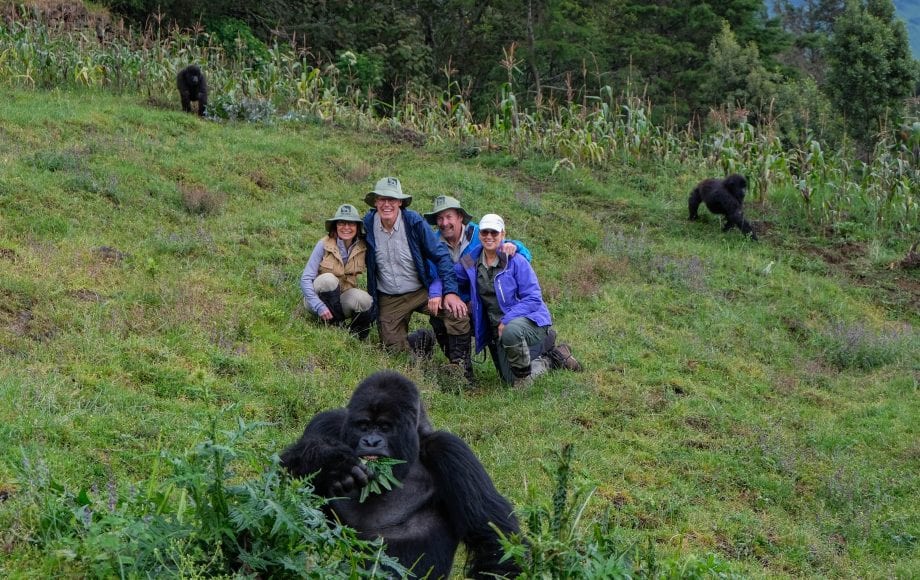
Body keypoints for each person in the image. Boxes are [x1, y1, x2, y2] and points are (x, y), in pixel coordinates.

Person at [454, 213, 581, 388]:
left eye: (494, 232)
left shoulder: (516, 260)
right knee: (507, 378)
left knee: (512, 334)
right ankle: (550, 359)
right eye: (484, 232)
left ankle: (525, 377)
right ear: (480, 234)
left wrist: (507, 320)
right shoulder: (471, 259)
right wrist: (439, 293)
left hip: (529, 319)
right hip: (496, 327)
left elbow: (533, 298)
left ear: (503, 234)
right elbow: (449, 275)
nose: (489, 236)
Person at [417, 195, 532, 380]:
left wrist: (515, 246)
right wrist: (442, 293)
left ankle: (547, 346)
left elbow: (518, 252)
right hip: (456, 300)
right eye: (439, 218)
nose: (444, 223)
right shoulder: (432, 243)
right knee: (442, 315)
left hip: (490, 305)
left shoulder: (482, 235)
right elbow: (438, 276)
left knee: (509, 375)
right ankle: (461, 372)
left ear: (460, 217)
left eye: (449, 217)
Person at [361, 177, 470, 365]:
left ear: (400, 202)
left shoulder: (413, 222)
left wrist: (450, 292)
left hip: (421, 290)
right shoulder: (368, 223)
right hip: (389, 296)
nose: (387, 204)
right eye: (382, 199)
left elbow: (441, 255)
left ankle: (461, 370)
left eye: (392, 200)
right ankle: (422, 342)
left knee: (456, 312)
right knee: (394, 353)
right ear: (376, 201)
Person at [300, 204, 374, 339]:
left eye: (351, 224)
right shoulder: (323, 244)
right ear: (335, 226)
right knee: (328, 279)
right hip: (316, 301)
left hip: (341, 299)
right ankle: (337, 324)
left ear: (357, 227)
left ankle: (354, 337)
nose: (346, 227)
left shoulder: (363, 247)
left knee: (365, 300)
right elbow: (305, 279)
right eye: (341, 223)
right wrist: (318, 305)